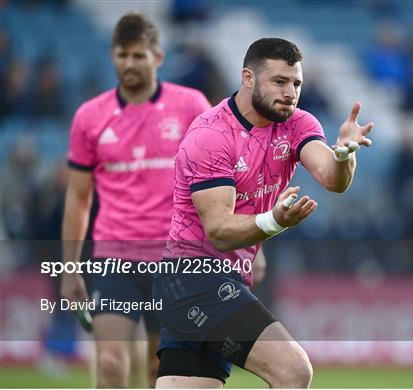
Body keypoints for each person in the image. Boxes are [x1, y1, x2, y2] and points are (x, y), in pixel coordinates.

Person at [153, 37, 374, 388]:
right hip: (194, 277)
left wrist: (345, 155)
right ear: (248, 78)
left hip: (222, 279)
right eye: (280, 82)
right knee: (292, 370)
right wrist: (274, 222)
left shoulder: (297, 124)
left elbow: (332, 178)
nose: (291, 93)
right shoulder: (211, 135)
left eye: (296, 83)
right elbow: (219, 230)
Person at [60, 13, 211, 388]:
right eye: (123, 55)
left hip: (177, 260)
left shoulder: (191, 106)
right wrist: (69, 267)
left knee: (162, 371)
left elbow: (218, 178)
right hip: (114, 258)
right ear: (112, 56)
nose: (130, 63)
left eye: (138, 55)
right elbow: (78, 197)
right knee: (110, 365)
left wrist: (249, 248)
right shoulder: (90, 117)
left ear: (158, 57)